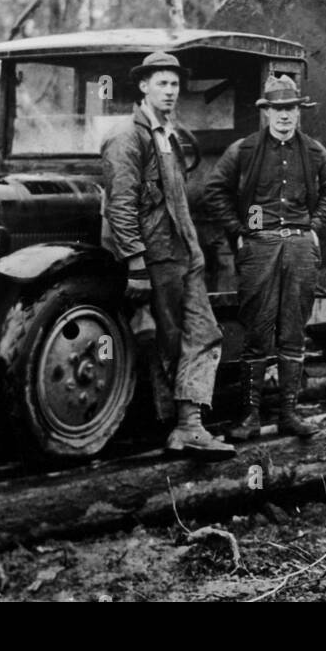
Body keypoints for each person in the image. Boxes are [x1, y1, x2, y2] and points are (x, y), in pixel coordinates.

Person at [99, 52, 234, 457]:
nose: (170, 91)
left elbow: (177, 199)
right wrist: (137, 262)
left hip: (183, 253)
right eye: (162, 83)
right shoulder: (128, 137)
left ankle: (188, 426)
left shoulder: (168, 134)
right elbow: (120, 206)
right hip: (157, 257)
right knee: (170, 339)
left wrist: (196, 251)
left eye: (175, 84)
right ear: (143, 87)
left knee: (200, 333)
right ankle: (178, 426)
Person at [204, 74, 326, 440]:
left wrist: (314, 225)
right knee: (256, 332)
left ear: (299, 112)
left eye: (291, 109)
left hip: (299, 246)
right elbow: (214, 191)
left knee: (294, 331)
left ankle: (288, 416)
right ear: (266, 113)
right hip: (259, 246)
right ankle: (249, 418)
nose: (284, 116)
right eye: (278, 109)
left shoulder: (313, 151)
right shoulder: (244, 150)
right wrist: (239, 232)